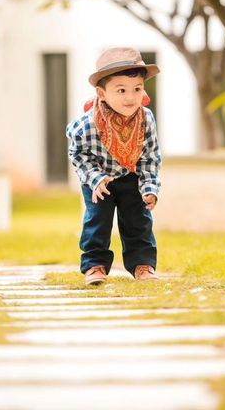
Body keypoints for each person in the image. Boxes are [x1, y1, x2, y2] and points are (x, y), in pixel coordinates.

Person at [66, 47, 162, 285]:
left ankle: (142, 265)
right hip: (99, 179)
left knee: (138, 220)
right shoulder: (86, 126)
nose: (130, 97)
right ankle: (95, 266)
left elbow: (149, 155)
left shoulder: (145, 119)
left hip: (131, 175)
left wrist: (149, 187)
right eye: (121, 90)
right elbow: (77, 155)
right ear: (102, 93)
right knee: (97, 220)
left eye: (137, 89)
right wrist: (95, 178)